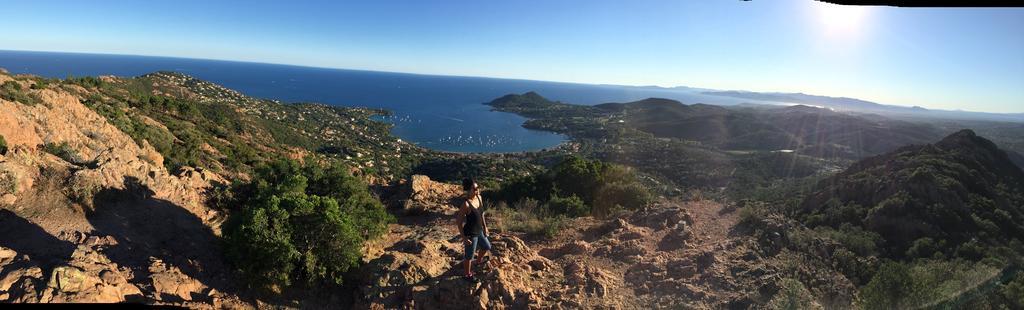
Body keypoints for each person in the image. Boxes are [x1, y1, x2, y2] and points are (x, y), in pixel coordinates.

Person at [454, 177, 491, 283]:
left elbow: (482, 213)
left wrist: (485, 227)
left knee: (486, 246)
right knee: (469, 256)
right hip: (470, 233)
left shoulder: (479, 197)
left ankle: (478, 261)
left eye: (477, 188)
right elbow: (458, 222)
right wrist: (464, 238)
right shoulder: (466, 204)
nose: (477, 190)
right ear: (469, 190)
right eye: (475, 189)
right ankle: (467, 274)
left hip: (479, 230)